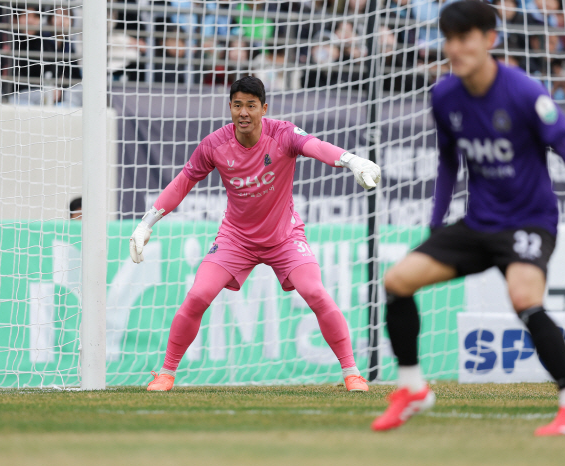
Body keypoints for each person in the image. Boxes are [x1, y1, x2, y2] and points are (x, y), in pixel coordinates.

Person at [372, 0, 565, 436]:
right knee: (397, 281)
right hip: (478, 224)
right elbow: (447, 163)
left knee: (524, 299)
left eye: (463, 39)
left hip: (529, 223)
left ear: (489, 40)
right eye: (448, 40)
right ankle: (412, 388)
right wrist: (437, 223)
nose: (454, 49)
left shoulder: (524, 92)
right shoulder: (443, 95)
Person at [130, 76, 381, 392]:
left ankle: (352, 373)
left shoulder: (283, 133)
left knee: (316, 293)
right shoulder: (215, 144)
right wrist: (145, 224)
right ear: (230, 108)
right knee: (197, 296)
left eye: (251, 105)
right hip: (236, 239)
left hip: (285, 238)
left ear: (264, 108)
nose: (243, 112)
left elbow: (316, 146)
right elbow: (183, 183)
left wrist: (351, 160)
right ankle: (165, 374)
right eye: (237, 105)